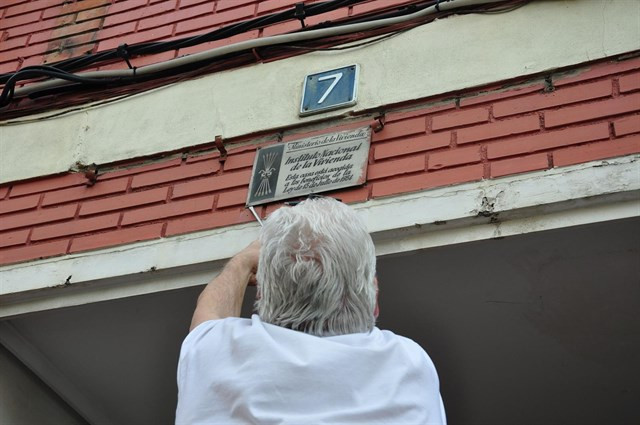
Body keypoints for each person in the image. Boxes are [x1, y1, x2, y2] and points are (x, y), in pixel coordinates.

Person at [175, 197, 446, 424]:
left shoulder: (214, 354)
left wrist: (243, 262)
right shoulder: (409, 363)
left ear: (261, 293)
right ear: (373, 299)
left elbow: (209, 313)